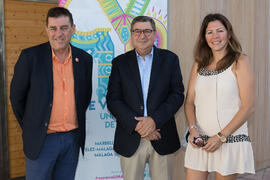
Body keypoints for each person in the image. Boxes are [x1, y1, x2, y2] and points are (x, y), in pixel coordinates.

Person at [10, 7, 92, 180]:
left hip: (71, 139)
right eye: (53, 28)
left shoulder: (84, 59)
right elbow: (16, 98)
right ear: (46, 29)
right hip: (42, 141)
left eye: (64, 28)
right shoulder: (30, 57)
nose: (58, 34)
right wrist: (33, 126)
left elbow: (84, 96)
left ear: (73, 29)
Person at [106, 16, 185, 180]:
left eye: (147, 31)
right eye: (137, 31)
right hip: (131, 138)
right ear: (131, 34)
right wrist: (139, 126)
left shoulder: (170, 59)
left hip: (161, 134)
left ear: (155, 33)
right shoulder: (119, 63)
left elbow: (177, 95)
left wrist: (153, 121)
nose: (142, 36)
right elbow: (113, 100)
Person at [184, 13, 255, 180]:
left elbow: (248, 106)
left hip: (228, 140)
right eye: (209, 32)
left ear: (228, 34)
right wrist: (193, 129)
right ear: (204, 37)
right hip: (199, 142)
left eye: (219, 31)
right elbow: (189, 102)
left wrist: (221, 137)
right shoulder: (198, 64)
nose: (215, 36)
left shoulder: (240, 61)